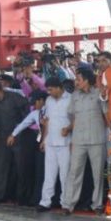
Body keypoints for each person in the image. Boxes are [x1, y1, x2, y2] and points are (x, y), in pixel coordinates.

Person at [62, 67, 111, 214]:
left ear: (86, 80)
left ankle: (97, 205)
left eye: (78, 79)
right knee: (74, 172)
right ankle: (68, 204)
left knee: (97, 174)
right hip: (78, 139)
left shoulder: (98, 93)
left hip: (97, 139)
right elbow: (72, 115)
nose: (76, 82)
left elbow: (107, 114)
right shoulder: (75, 96)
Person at [37, 78, 72, 211]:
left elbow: (76, 120)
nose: (49, 92)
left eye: (51, 89)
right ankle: (45, 202)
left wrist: (68, 129)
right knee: (49, 174)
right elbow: (47, 121)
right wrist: (43, 140)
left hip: (65, 143)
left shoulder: (70, 99)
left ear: (59, 87)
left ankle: (66, 203)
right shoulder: (49, 100)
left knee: (65, 175)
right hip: (50, 141)